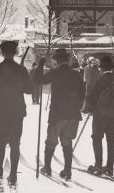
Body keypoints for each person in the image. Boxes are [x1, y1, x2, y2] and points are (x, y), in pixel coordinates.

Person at [0, 41, 33, 188]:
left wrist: (0, 96)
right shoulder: (21, 71)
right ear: (15, 52)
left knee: (0, 142)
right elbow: (29, 90)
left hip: (0, 110)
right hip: (17, 111)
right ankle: (13, 174)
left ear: (2, 53)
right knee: (15, 143)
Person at [34, 48, 85, 180]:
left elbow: (37, 80)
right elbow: (82, 95)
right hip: (73, 114)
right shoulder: (77, 75)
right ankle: (67, 171)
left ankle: (47, 168)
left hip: (58, 113)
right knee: (67, 142)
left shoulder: (55, 73)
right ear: (68, 60)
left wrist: (40, 65)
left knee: (51, 141)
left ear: (56, 61)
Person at [83, 55, 114, 176]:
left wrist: (92, 109)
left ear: (102, 69)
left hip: (100, 115)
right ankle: (109, 167)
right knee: (111, 140)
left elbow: (89, 98)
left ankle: (98, 165)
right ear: (112, 68)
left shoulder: (99, 81)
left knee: (97, 138)